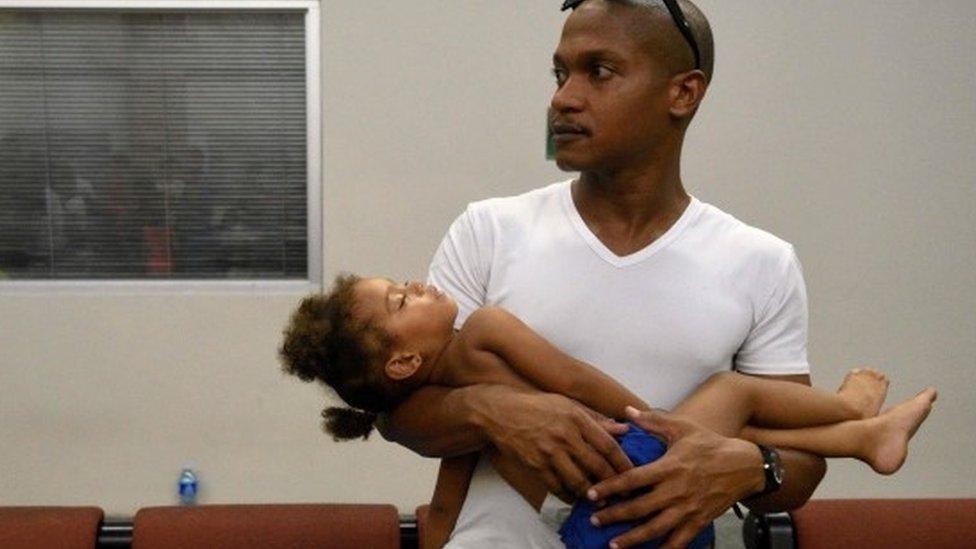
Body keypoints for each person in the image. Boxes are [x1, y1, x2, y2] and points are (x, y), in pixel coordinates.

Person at [373, 0, 890, 547]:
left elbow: (804, 460)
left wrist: (751, 467)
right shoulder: (488, 230)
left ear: (682, 93)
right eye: (560, 72)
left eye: (599, 71)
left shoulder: (760, 261)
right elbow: (399, 411)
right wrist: (492, 411)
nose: (563, 98)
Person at [279, 275, 936, 548]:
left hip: (591, 528)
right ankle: (851, 413)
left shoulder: (454, 421)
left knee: (740, 428)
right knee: (734, 392)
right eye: (402, 299)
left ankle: (864, 436)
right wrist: (648, 415)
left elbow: (445, 508)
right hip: (638, 471)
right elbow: (571, 376)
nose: (419, 285)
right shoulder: (482, 330)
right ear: (400, 362)